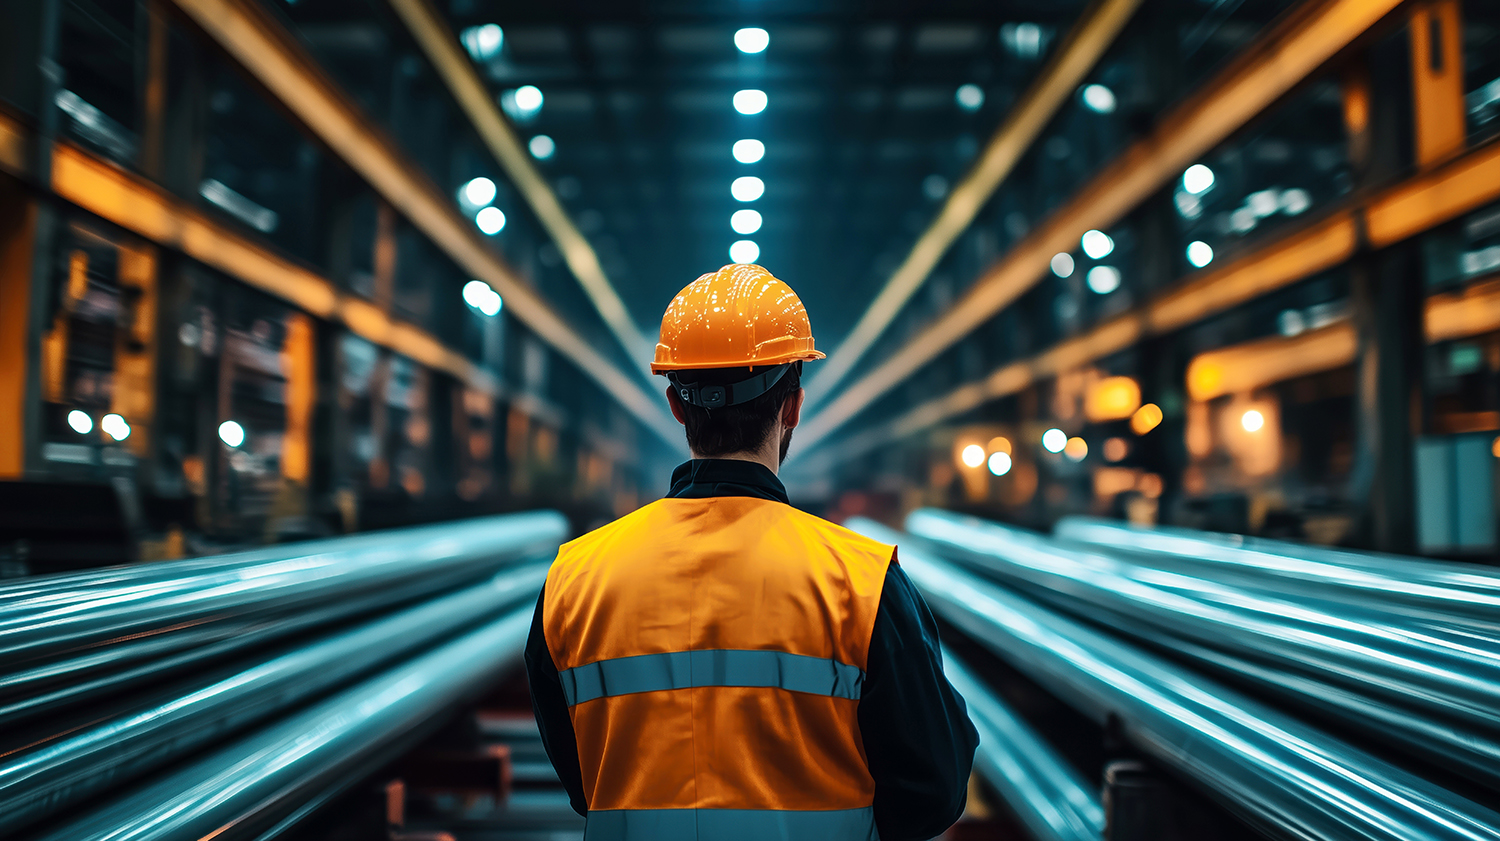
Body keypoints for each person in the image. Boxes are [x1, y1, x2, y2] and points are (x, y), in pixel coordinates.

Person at [525, 263, 978, 841]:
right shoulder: (860, 581)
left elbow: (584, 784)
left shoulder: (574, 578)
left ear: (677, 406)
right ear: (792, 406)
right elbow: (933, 791)